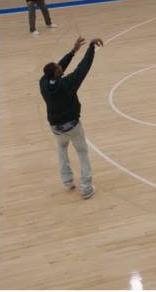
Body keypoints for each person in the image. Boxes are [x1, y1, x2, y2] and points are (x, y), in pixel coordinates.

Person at [40, 37, 104, 199]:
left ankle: (67, 180)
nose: (60, 66)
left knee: (62, 149)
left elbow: (59, 67)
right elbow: (83, 68)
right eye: (58, 67)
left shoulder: (44, 83)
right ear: (57, 73)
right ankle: (85, 187)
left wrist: (73, 51)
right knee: (82, 152)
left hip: (55, 127)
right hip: (72, 126)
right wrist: (90, 48)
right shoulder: (68, 84)